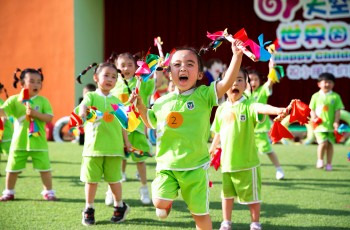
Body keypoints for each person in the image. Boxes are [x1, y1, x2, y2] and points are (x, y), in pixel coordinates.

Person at [130, 40, 244, 230]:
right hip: (167, 166)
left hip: (195, 168)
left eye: (190, 64)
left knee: (200, 217)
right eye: (177, 65)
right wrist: (140, 106)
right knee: (159, 204)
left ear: (199, 74)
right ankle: (168, 201)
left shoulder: (204, 95)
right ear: (169, 73)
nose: (183, 68)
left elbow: (226, 83)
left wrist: (237, 56)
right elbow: (149, 121)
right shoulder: (162, 101)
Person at [209, 67, 290, 230]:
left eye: (240, 80)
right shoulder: (221, 109)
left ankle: (255, 223)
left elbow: (261, 108)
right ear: (223, 85)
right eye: (231, 79)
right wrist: (212, 148)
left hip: (247, 163)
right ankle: (226, 222)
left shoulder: (248, 105)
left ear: (246, 85)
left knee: (253, 197)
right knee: (226, 195)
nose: (235, 83)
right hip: (227, 164)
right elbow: (218, 131)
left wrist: (278, 110)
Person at [76, 62, 131, 225]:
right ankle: (89, 208)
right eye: (106, 75)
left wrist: (126, 142)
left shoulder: (117, 101)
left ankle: (119, 206)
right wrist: (82, 113)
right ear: (96, 78)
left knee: (114, 180)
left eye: (114, 77)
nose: (110, 79)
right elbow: (84, 107)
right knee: (91, 181)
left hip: (114, 149)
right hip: (93, 149)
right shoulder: (91, 96)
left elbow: (124, 124)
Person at [107, 52, 163, 205]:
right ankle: (111, 190)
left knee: (140, 160)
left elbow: (157, 83)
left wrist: (158, 69)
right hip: (118, 130)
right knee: (117, 161)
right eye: (122, 65)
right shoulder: (114, 84)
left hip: (137, 129)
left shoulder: (142, 82)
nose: (126, 68)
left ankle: (144, 188)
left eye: (130, 65)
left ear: (136, 66)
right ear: (117, 68)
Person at [0, 68, 57, 201]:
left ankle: (48, 192)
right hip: (19, 142)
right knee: (12, 169)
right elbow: (3, 112)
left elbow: (49, 118)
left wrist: (36, 114)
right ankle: (9, 191)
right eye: (32, 81)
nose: (36, 84)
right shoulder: (14, 100)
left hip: (39, 142)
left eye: (39, 81)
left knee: (45, 169)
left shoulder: (43, 101)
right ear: (22, 84)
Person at [246, 61, 285, 180]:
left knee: (267, 150)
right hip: (246, 128)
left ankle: (279, 169)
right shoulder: (242, 94)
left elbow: (271, 80)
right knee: (247, 153)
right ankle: (249, 173)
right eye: (250, 80)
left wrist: (271, 66)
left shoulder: (263, 91)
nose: (253, 82)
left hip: (260, 128)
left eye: (255, 79)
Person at [309, 72, 344, 171]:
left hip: (331, 126)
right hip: (319, 126)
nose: (327, 84)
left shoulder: (335, 97)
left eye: (330, 82)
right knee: (323, 143)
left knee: (330, 144)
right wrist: (314, 117)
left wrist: (336, 122)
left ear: (333, 84)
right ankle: (320, 160)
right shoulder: (315, 96)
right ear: (319, 84)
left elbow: (338, 110)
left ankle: (329, 163)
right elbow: (312, 109)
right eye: (325, 82)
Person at [0, 83, 13, 176]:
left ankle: (13, 169)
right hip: (3, 131)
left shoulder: (1, 102)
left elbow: (3, 118)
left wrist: (1, 132)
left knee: (9, 152)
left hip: (4, 131)